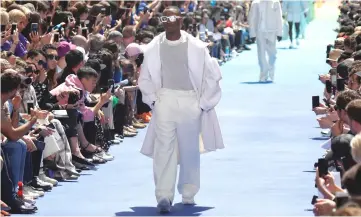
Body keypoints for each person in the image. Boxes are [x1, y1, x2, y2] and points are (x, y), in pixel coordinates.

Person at [138, 6, 224, 214]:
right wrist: (153, 101)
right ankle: (164, 196)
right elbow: (145, 77)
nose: (168, 20)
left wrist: (203, 103)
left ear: (181, 20)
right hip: (164, 100)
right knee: (163, 148)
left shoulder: (196, 47)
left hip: (190, 101)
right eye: (164, 17)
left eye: (173, 17)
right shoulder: (153, 47)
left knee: (189, 149)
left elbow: (212, 75)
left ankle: (188, 192)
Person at [249, 0, 283, 82]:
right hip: (260, 31)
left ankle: (271, 71)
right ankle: (263, 73)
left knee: (273, 54)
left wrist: (279, 32)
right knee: (261, 53)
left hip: (272, 30)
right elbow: (252, 19)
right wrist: (252, 33)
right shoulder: (255, 3)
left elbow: (279, 18)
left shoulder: (275, 3)